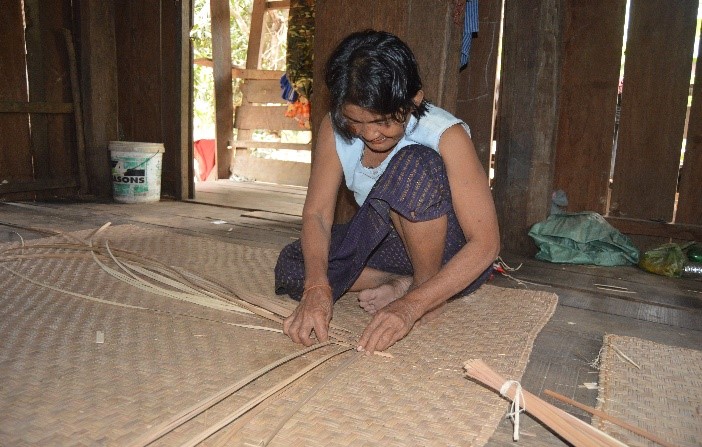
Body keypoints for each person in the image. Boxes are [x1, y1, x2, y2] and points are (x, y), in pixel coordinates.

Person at [274, 30, 500, 353]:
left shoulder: (446, 136)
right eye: (356, 121)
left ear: (414, 101)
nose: (370, 134)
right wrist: (317, 287)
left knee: (412, 168)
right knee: (295, 264)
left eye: (382, 121)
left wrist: (411, 307)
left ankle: (424, 291)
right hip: (390, 243)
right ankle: (396, 282)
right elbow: (317, 215)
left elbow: (487, 245)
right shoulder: (335, 129)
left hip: (448, 249)